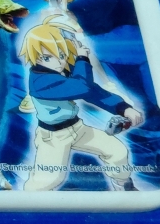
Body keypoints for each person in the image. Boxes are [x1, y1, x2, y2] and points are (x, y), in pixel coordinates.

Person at [19, 22, 142, 191]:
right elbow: (83, 87)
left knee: (116, 150)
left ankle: (124, 187)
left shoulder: (62, 73)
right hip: (53, 137)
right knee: (48, 180)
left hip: (78, 128)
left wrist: (123, 108)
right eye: (47, 57)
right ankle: (28, 202)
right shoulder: (40, 81)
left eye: (62, 55)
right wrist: (82, 58)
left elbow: (92, 91)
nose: (59, 62)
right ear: (36, 57)